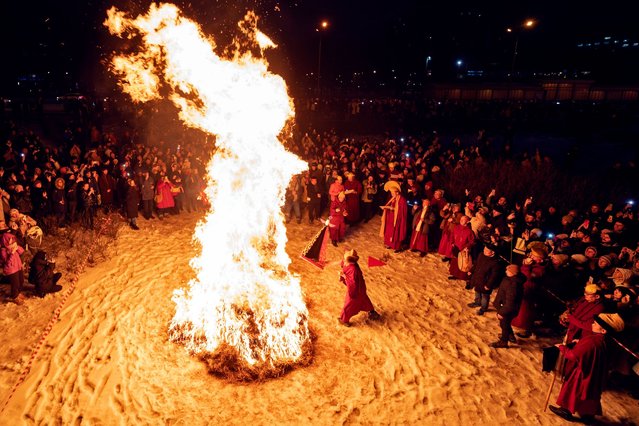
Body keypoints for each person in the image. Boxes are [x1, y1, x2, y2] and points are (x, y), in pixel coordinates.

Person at [549, 313, 625, 423]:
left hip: (583, 372)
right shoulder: (602, 341)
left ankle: (566, 410)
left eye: (596, 323)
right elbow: (589, 349)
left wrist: (561, 347)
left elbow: (573, 355)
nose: (593, 323)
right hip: (595, 373)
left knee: (574, 389)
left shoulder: (592, 341)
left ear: (603, 330)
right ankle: (588, 415)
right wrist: (580, 343)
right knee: (590, 393)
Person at [338, 249, 381, 326]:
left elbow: (352, 283)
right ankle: (372, 313)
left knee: (349, 304)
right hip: (360, 288)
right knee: (364, 299)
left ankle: (344, 320)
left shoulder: (354, 269)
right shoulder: (350, 263)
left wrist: (344, 276)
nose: (343, 260)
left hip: (355, 290)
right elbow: (342, 263)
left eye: (345, 259)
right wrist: (329, 263)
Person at [490, 264, 525, 347]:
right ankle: (511, 336)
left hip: (507, 309)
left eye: (508, 270)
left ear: (513, 273)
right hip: (505, 307)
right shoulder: (510, 280)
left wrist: (502, 312)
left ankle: (504, 341)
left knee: (504, 324)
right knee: (505, 323)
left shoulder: (513, 285)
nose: (506, 271)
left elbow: (510, 302)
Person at [467, 244, 503, 315]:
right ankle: (477, 302)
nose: (484, 250)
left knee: (485, 296)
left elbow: (494, 276)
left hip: (486, 282)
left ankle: (483, 308)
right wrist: (471, 270)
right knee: (477, 291)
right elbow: (476, 264)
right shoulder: (481, 255)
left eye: (487, 250)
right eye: (484, 249)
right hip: (478, 279)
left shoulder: (495, 263)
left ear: (492, 252)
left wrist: (488, 285)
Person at [380, 181, 408, 252]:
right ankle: (389, 244)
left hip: (397, 219)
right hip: (390, 218)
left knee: (396, 232)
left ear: (397, 192)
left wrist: (392, 209)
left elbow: (402, 211)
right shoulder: (393, 198)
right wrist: (386, 208)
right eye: (391, 193)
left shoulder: (402, 200)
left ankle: (396, 247)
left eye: (393, 193)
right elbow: (390, 205)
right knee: (389, 231)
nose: (392, 194)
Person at [1, 232, 25, 304]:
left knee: (21, 281)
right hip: (11, 270)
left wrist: (17, 247)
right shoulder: (3, 251)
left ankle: (18, 293)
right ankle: (14, 296)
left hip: (18, 267)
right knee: (15, 284)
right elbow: (7, 263)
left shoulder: (12, 247)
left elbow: (22, 252)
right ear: (6, 241)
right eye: (11, 241)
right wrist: (12, 253)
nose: (13, 242)